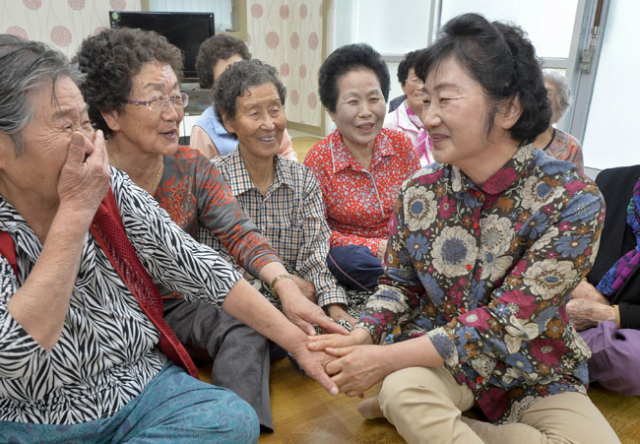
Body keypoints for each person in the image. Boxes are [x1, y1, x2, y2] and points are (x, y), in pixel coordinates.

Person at [0, 36, 337, 442]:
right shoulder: (85, 191)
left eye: (84, 123)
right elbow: (17, 357)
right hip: (31, 415)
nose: (86, 141)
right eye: (64, 125)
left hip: (136, 385)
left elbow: (198, 262)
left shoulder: (118, 186)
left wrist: (296, 339)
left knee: (233, 418)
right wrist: (75, 212)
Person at [308, 14, 619, 444]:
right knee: (405, 388)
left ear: (508, 108)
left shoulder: (573, 199)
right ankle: (412, 406)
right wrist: (361, 335)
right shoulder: (418, 192)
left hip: (532, 370)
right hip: (439, 365)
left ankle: (437, 420)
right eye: (426, 100)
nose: (427, 117)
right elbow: (398, 286)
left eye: (446, 99)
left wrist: (383, 360)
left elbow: (505, 323)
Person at [209, 59, 356, 328]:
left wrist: (334, 307)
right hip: (240, 307)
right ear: (229, 121)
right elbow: (219, 268)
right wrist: (282, 285)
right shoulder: (213, 180)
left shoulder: (303, 180)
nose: (269, 124)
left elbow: (316, 256)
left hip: (300, 302)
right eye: (254, 114)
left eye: (275, 110)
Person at [304, 43, 420, 293]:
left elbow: (421, 207)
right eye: (353, 102)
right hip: (360, 258)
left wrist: (405, 246)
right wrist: (376, 247)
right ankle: (411, 287)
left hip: (406, 250)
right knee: (345, 259)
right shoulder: (319, 160)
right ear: (332, 111)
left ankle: (406, 283)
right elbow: (318, 234)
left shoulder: (400, 144)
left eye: (374, 99)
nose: (366, 112)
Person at [568, 164, 640, 396]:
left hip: (631, 331)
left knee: (632, 360)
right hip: (573, 301)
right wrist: (578, 283)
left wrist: (608, 315)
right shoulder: (611, 180)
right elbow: (572, 242)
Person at [191, 34, 296, 161]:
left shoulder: (269, 116)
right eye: (226, 80)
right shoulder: (204, 130)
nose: (238, 84)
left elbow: (286, 153)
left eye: (243, 74)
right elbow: (201, 176)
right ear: (212, 87)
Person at [383, 49, 434, 166]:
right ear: (403, 86)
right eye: (415, 80)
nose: (421, 86)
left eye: (427, 80)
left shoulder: (445, 122)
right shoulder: (387, 125)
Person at [532, 70, 584, 172]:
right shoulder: (507, 135)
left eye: (546, 99)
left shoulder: (570, 147)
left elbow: (573, 186)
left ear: (558, 114)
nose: (537, 103)